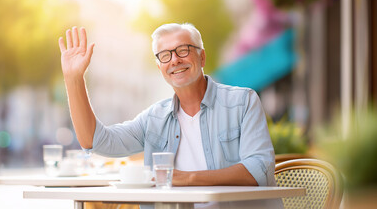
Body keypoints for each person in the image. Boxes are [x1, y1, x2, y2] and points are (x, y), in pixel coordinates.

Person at [59, 23, 279, 207]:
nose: (174, 60)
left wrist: (188, 178)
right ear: (160, 68)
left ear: (202, 58)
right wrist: (74, 79)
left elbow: (259, 170)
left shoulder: (242, 102)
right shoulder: (154, 119)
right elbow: (95, 141)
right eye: (165, 55)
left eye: (183, 50)